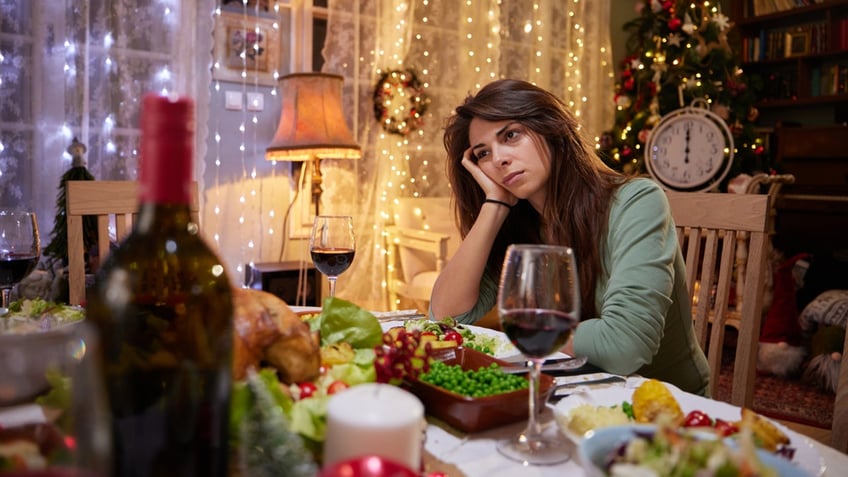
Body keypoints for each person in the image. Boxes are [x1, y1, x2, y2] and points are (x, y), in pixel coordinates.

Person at [429, 79, 710, 396]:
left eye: (510, 135)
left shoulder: (637, 202)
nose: (499, 159)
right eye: (483, 153)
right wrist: (494, 204)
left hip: (663, 406)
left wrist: (533, 330)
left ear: (549, 128)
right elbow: (444, 316)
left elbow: (624, 345)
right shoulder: (519, 225)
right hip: (573, 390)